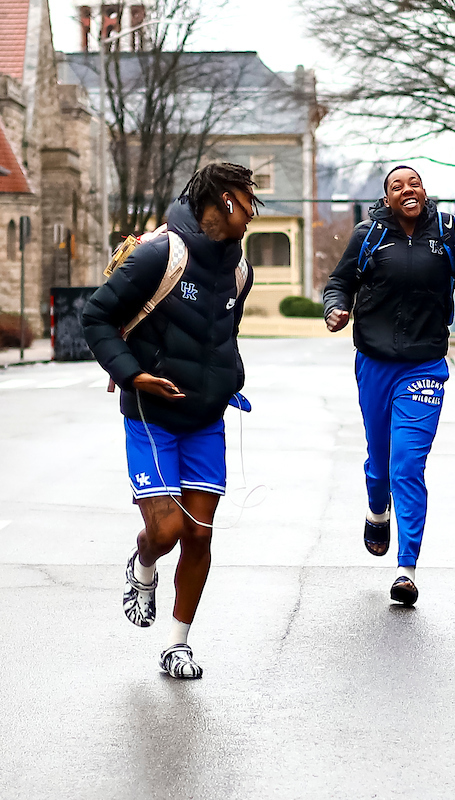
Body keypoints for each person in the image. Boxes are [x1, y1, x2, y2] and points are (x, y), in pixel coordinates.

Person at [83, 163, 260, 679]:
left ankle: (177, 644)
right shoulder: (159, 254)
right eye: (249, 202)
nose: (252, 214)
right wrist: (132, 374)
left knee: (200, 537)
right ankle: (143, 564)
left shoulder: (238, 271)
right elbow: (95, 317)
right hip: (151, 413)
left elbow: (224, 331)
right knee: (166, 530)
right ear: (226, 202)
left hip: (206, 417)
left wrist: (231, 376)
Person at [323, 165, 455, 605]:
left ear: (424, 190)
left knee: (407, 466)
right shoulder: (369, 235)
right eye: (397, 186)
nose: (407, 190)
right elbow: (339, 282)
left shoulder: (451, 233)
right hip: (375, 365)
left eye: (413, 183)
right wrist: (336, 310)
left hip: (424, 368)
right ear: (388, 198)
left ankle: (406, 568)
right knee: (379, 464)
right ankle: (378, 509)